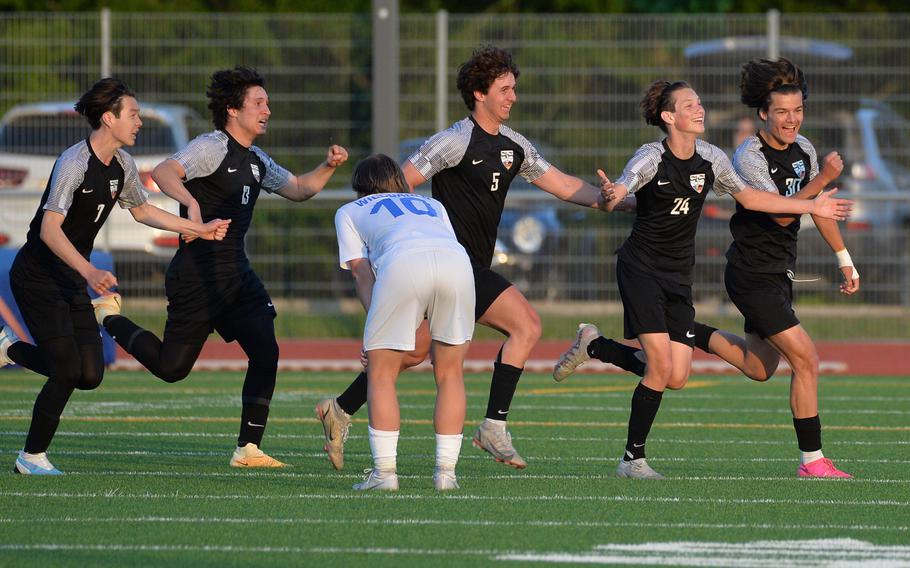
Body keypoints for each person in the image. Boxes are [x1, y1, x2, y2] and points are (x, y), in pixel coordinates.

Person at [316, 45, 614, 471]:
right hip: (438, 266)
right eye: (505, 89)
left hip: (467, 271)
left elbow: (565, 185)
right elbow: (395, 188)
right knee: (430, 349)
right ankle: (358, 416)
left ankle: (347, 410)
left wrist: (617, 201)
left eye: (514, 88)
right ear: (479, 92)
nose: (513, 97)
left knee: (507, 331)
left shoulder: (515, 145)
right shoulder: (454, 141)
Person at [552, 79, 851, 479]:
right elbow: (622, 188)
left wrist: (812, 202)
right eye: (690, 105)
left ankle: (598, 346)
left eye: (699, 103)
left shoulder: (711, 157)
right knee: (660, 366)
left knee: (675, 376)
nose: (700, 109)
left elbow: (750, 198)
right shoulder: (650, 156)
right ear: (669, 117)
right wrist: (610, 193)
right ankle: (632, 460)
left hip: (677, 274)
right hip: (640, 268)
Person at [94, 66, 348, 468]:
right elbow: (164, 172)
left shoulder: (256, 159)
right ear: (233, 109)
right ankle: (108, 317)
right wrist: (192, 207)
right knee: (171, 368)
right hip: (196, 276)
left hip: (236, 276)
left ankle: (248, 448)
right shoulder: (212, 147)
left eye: (267, 102)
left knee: (266, 350)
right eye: (258, 103)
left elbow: (300, 189)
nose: (267, 109)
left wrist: (329, 165)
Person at [0, 78, 230, 475]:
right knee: (67, 370)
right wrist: (89, 269)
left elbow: (142, 212)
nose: (139, 121)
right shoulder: (73, 162)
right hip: (38, 276)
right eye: (134, 114)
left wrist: (198, 228)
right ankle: (31, 457)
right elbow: (48, 231)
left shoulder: (122, 165)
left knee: (89, 374)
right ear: (109, 118)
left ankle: (9, 350)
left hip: (72, 278)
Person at [688, 58, 856, 478]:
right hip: (751, 274)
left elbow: (819, 211)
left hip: (779, 272)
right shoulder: (749, 156)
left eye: (798, 111)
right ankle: (813, 461)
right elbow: (785, 213)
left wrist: (844, 259)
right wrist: (824, 181)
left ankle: (682, 328)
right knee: (806, 359)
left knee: (759, 368)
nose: (791, 120)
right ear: (763, 112)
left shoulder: (805, 151)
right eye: (782, 112)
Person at [336, 154, 474, 491]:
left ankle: (384, 474)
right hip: (458, 263)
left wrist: (374, 328)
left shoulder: (350, 211)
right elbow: (436, 249)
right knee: (450, 373)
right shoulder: (432, 205)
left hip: (403, 264)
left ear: (361, 187)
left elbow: (361, 271)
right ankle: (446, 475)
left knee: (381, 374)